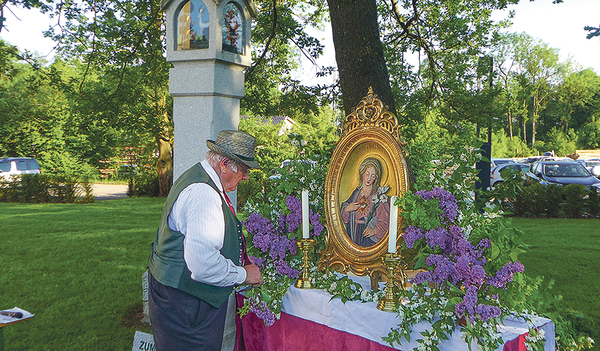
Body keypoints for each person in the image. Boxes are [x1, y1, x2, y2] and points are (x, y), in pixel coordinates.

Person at [148, 130, 263, 351]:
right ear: (224, 164)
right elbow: (203, 265)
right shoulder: (204, 195)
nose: (246, 176)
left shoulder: (198, 178)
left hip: (178, 300)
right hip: (187, 308)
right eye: (244, 169)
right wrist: (244, 274)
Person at [340, 157, 390, 247]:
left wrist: (374, 230)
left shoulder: (379, 197)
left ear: (376, 178)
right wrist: (346, 209)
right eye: (367, 174)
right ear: (362, 173)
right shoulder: (356, 194)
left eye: (373, 176)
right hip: (353, 235)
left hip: (368, 238)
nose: (369, 178)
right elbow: (344, 217)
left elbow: (385, 220)